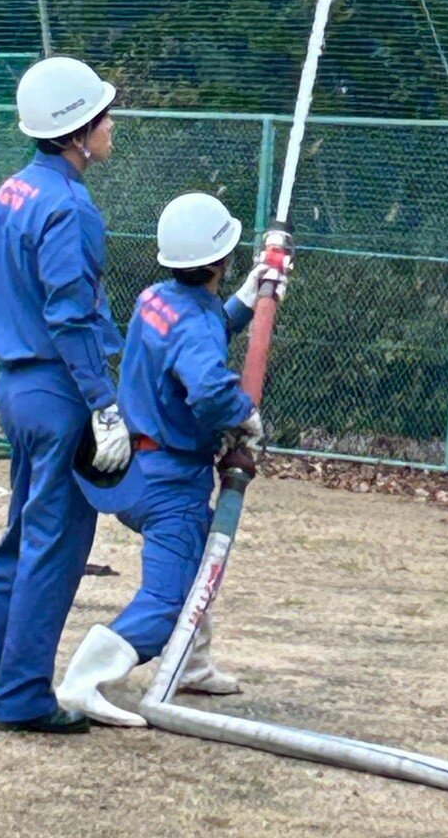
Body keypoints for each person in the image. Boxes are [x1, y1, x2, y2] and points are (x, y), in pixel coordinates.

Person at [0, 56, 131, 735]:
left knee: (20, 539)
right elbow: (71, 317)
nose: (111, 124)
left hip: (14, 387)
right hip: (59, 388)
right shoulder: (70, 207)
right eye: (103, 115)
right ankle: (22, 697)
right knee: (56, 546)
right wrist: (104, 402)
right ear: (76, 132)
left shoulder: (8, 194)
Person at [55, 191, 289, 727]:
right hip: (170, 481)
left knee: (201, 556)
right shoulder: (195, 325)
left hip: (134, 464)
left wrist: (246, 298)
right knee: (167, 598)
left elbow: (197, 331)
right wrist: (245, 416)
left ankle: (191, 662)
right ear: (221, 258)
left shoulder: (155, 298)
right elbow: (207, 383)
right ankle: (82, 682)